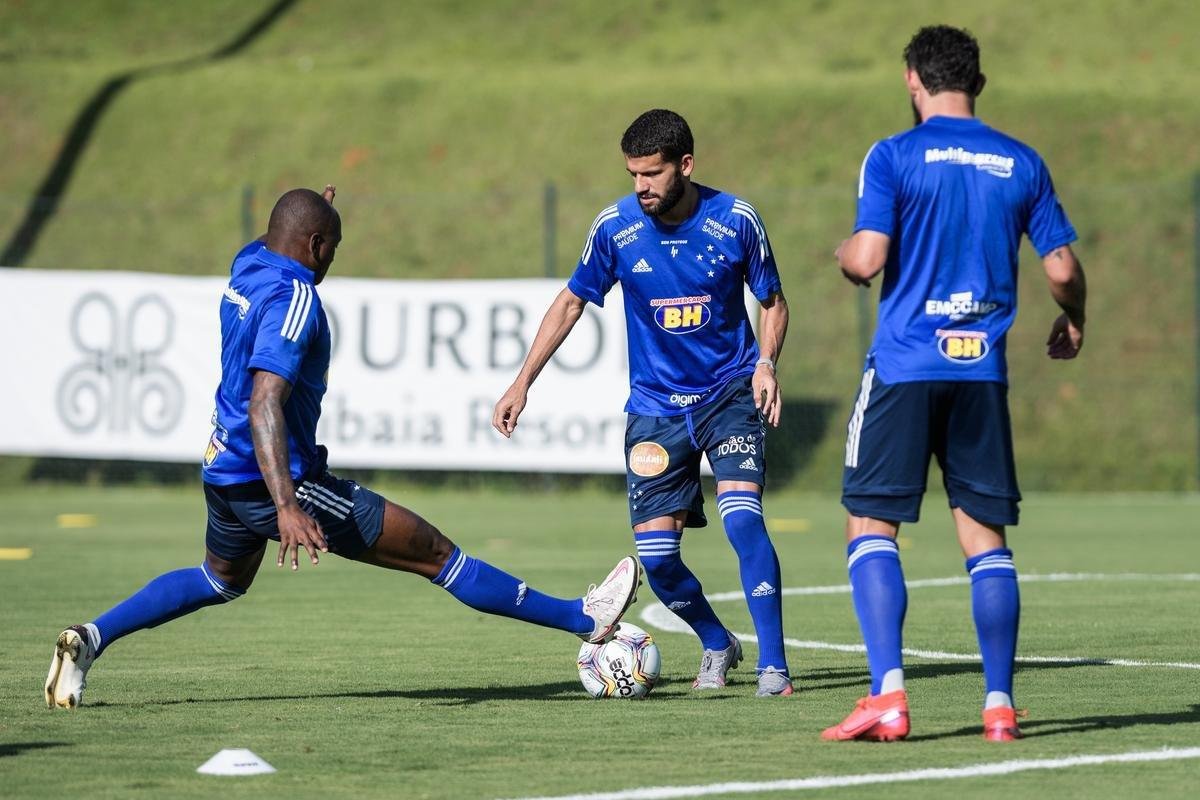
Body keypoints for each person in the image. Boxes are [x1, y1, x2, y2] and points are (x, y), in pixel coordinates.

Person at [44, 186, 640, 709]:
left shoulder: (249, 262)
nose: (332, 258)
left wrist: (317, 212)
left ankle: (91, 638)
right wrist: (286, 504)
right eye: (331, 245)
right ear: (315, 246)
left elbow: (283, 230)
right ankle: (583, 617)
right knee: (434, 552)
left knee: (220, 579)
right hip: (278, 479)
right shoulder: (295, 301)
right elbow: (265, 403)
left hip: (222, 468)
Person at [822, 25, 1087, 742]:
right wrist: (1075, 319)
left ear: (912, 78)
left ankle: (889, 697)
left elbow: (867, 259)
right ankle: (999, 706)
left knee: (870, 523)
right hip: (981, 374)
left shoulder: (894, 155)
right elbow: (1061, 269)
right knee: (984, 539)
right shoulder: (1020, 161)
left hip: (906, 367)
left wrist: (845, 253)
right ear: (979, 83)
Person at [493, 109, 794, 697]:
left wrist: (765, 364)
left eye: (652, 174)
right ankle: (716, 642)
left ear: (685, 165)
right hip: (655, 408)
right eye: (633, 174)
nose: (641, 186)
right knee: (656, 560)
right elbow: (571, 302)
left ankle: (774, 667)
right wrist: (521, 381)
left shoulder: (736, 220)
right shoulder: (615, 228)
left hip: (728, 392)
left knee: (743, 522)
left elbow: (774, 302)